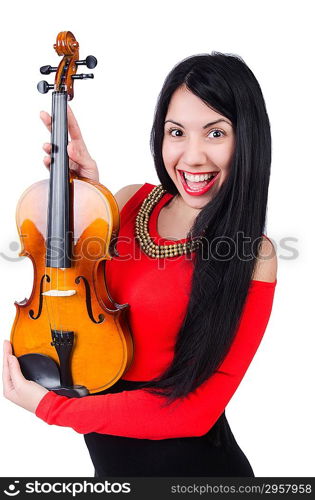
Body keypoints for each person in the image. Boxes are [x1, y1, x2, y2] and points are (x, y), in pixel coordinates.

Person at [3, 52, 277, 477]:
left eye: (216, 132)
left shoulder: (253, 254)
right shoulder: (128, 201)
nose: (193, 156)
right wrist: (86, 202)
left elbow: (193, 413)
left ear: (248, 139)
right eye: (176, 132)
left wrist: (49, 406)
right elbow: (80, 302)